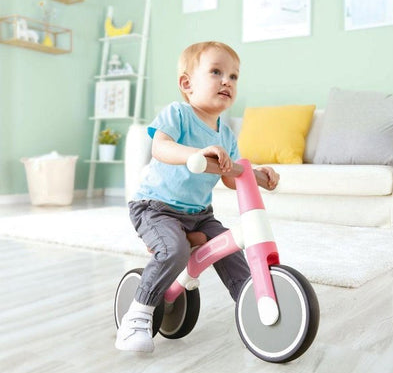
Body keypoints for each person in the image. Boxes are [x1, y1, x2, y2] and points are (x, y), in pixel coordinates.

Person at [115, 41, 280, 352]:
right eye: (216, 72)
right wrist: (197, 153)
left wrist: (257, 174)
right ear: (187, 84)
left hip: (199, 214)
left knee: (232, 249)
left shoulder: (226, 136)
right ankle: (136, 316)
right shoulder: (178, 114)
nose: (227, 81)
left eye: (233, 76)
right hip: (155, 208)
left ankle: (256, 305)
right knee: (173, 250)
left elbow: (232, 178)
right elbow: (160, 148)